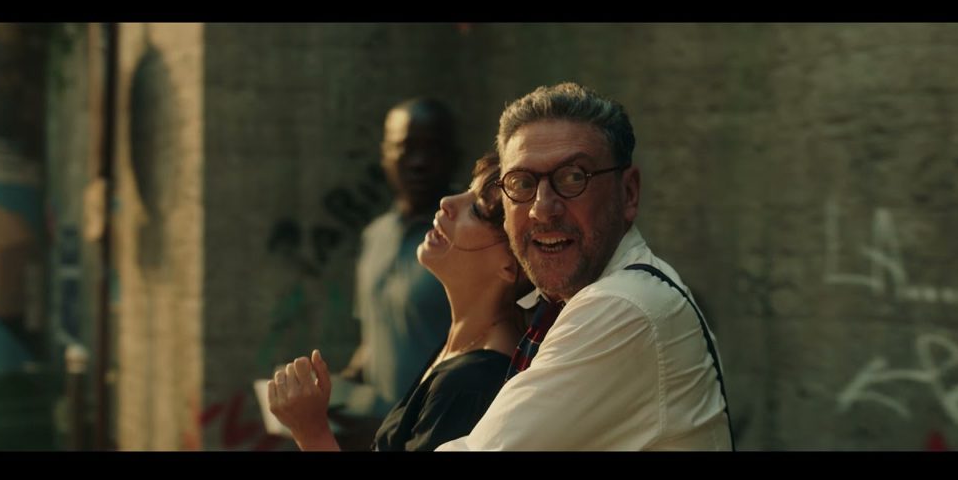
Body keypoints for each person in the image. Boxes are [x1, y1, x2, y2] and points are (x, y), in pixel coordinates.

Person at [436, 82, 734, 451]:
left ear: (629, 193)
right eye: (522, 183)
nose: (542, 209)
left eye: (573, 177)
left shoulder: (622, 307)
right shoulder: (570, 302)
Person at [269, 153, 533, 451]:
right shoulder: (460, 347)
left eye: (477, 208)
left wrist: (312, 432)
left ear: (511, 265)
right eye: (466, 189)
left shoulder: (473, 383)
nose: (448, 201)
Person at [341, 98, 459, 417]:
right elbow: (376, 334)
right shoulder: (373, 236)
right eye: (406, 148)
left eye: (432, 149)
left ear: (453, 156)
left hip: (442, 434)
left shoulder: (471, 237)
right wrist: (339, 389)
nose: (418, 162)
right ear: (385, 155)